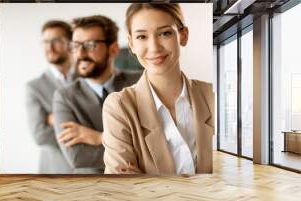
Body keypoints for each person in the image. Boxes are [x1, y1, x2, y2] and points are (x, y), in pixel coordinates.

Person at [102, 3, 214, 175]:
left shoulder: (211, 96)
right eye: (141, 37)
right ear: (131, 44)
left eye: (165, 33)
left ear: (183, 35)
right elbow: (122, 189)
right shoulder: (119, 106)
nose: (154, 47)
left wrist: (146, 179)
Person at [53, 15, 141, 174]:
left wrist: (99, 138)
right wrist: (133, 151)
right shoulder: (64, 96)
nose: (80, 53)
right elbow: (77, 157)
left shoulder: (140, 83)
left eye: (90, 45)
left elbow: (159, 142)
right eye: (76, 45)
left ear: (113, 49)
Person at [26, 20, 76, 173]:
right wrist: (84, 129)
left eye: (56, 41)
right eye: (46, 42)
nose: (49, 47)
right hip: (56, 170)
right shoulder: (34, 87)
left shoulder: (89, 78)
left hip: (94, 170)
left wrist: (57, 119)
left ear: (71, 43)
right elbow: (40, 135)